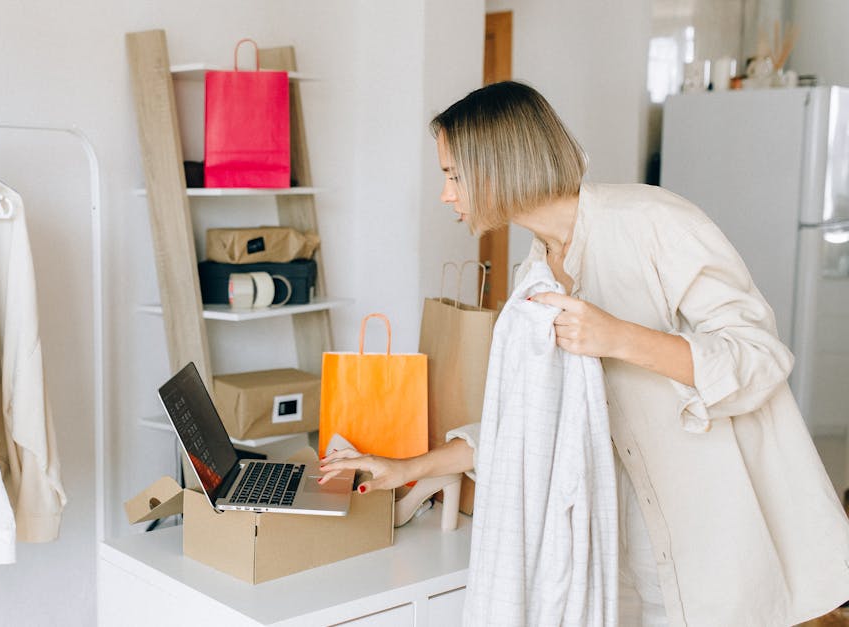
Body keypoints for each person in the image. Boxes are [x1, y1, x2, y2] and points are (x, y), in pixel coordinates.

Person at [318, 81, 849, 626]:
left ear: (497, 167)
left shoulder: (653, 221)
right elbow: (526, 427)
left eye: (453, 174)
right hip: (625, 535)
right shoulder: (535, 274)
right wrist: (407, 468)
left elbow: (759, 356)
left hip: (713, 524)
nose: (446, 194)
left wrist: (618, 337)